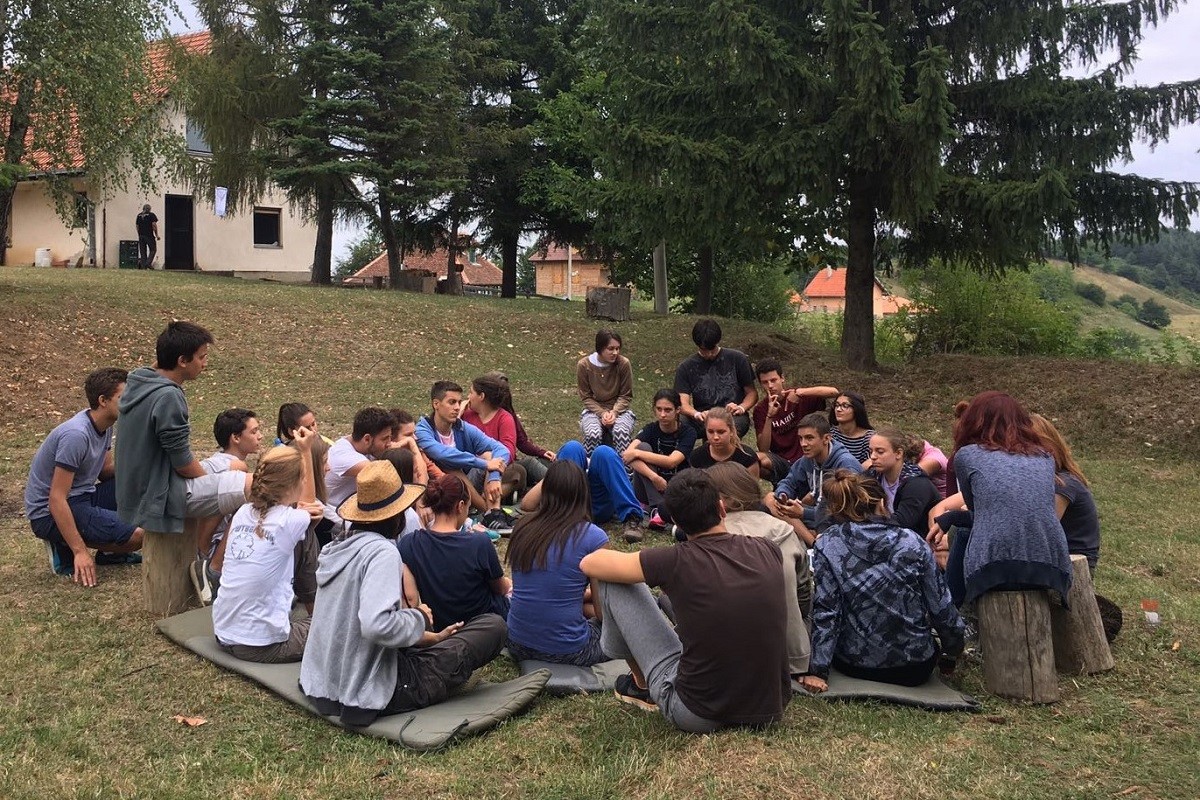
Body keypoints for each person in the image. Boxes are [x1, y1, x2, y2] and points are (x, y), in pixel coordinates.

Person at [580, 470, 791, 733]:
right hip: (768, 708)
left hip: (697, 712)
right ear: (721, 508)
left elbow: (589, 563)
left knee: (613, 579)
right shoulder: (767, 549)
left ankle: (641, 686)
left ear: (677, 522)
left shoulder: (675, 560)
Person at [300, 461, 505, 727]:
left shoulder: (338, 549)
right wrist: (418, 617)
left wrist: (428, 636)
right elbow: (376, 625)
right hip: (368, 689)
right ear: (396, 513)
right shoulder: (382, 552)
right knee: (494, 627)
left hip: (323, 683)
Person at [801, 471, 964, 692]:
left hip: (854, 664)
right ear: (880, 501)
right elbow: (941, 606)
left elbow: (827, 610)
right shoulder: (912, 542)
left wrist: (818, 670)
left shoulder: (828, 544)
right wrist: (952, 650)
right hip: (914, 667)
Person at [115, 322, 251, 570]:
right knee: (255, 486)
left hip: (140, 488)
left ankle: (202, 549)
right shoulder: (168, 397)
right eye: (201, 357)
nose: (205, 363)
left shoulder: (139, 381)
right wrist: (209, 480)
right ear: (182, 361)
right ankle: (213, 568)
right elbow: (184, 466)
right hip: (161, 495)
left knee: (234, 465)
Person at [926, 391, 1072, 607]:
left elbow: (982, 513)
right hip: (1050, 566)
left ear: (973, 420)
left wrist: (954, 519)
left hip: (992, 567)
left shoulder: (967, 455)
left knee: (964, 532)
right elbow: (997, 513)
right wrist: (953, 517)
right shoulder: (1045, 456)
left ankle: (952, 611)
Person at [25, 368, 144, 586]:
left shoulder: (104, 425)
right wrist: (80, 551)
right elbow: (56, 498)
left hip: (82, 497)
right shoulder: (76, 435)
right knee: (138, 536)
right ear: (103, 401)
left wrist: (140, 466)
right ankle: (62, 541)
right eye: (124, 397)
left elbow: (105, 471)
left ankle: (109, 554)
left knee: (140, 483)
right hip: (50, 512)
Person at [212, 435, 323, 663]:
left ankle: (312, 608)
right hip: (261, 646)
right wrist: (305, 450)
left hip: (223, 634)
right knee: (339, 623)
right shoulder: (289, 521)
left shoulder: (244, 511)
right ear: (294, 484)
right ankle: (317, 609)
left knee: (303, 536)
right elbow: (311, 503)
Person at [706, 462, 811, 677]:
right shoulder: (785, 530)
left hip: (727, 657)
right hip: (790, 655)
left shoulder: (707, 535)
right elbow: (803, 594)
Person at [505, 460, 611, 666]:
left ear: (545, 489)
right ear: (582, 492)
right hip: (566, 651)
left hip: (516, 642)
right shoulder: (593, 537)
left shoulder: (522, 526)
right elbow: (602, 614)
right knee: (620, 632)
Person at [398, 474, 512, 630]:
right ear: (460, 506)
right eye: (468, 508)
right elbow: (500, 588)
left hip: (437, 625)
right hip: (481, 626)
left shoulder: (408, 543)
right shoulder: (479, 543)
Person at [414, 380, 515, 532]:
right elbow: (441, 454)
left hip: (467, 485)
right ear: (436, 404)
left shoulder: (462, 428)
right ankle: (489, 512)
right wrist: (484, 464)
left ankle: (493, 513)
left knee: (491, 456)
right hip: (438, 488)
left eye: (459, 402)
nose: (457, 407)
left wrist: (494, 476)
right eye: (452, 402)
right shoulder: (423, 429)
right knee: (453, 468)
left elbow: (502, 449)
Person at [191, 408, 265, 604]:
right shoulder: (236, 467)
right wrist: (206, 551)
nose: (260, 436)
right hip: (214, 548)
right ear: (236, 438)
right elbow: (217, 508)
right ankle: (213, 568)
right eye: (254, 431)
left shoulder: (215, 461)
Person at [766, 412, 863, 544]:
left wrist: (804, 513)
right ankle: (812, 540)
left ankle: (813, 543)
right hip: (814, 516)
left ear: (826, 438)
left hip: (838, 522)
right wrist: (783, 495)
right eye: (800, 438)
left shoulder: (845, 464)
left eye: (809, 438)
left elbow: (845, 512)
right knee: (770, 499)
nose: (803, 444)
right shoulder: (807, 460)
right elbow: (789, 482)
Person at [523, 441, 646, 543]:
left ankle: (632, 518)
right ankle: (563, 513)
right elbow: (527, 504)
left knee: (604, 452)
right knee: (572, 447)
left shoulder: (599, 463)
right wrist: (555, 473)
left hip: (597, 504)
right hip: (571, 505)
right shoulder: (571, 459)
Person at [1030, 414, 1101, 572]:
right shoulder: (1055, 480)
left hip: (1073, 564)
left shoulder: (1063, 484)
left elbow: (1041, 529)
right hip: (1055, 558)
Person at [752, 358, 838, 483]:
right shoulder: (760, 409)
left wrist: (800, 392)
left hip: (806, 458)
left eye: (773, 380)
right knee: (754, 460)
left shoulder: (798, 397)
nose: (770, 386)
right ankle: (778, 485)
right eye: (765, 382)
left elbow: (834, 392)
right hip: (781, 461)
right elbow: (763, 448)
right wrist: (769, 417)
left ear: (782, 378)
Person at [622, 389, 697, 530]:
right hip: (649, 485)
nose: (662, 414)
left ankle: (656, 509)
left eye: (668, 410)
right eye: (659, 409)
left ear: (678, 410)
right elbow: (627, 455)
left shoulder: (688, 432)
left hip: (674, 486)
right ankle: (658, 509)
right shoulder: (650, 429)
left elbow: (672, 462)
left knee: (640, 451)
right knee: (642, 447)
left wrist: (638, 454)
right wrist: (654, 477)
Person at [674, 319, 757, 438]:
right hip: (702, 416)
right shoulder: (686, 367)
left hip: (731, 415)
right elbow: (682, 402)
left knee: (732, 427)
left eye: (712, 349)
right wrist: (696, 414)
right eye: (704, 350)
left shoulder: (738, 359)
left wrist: (741, 407)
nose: (709, 354)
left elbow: (752, 393)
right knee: (678, 422)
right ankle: (680, 454)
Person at [461, 375, 528, 503]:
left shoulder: (504, 418)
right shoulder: (466, 415)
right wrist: (459, 414)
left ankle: (484, 498)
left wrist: (492, 462)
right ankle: (482, 500)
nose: (468, 397)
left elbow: (509, 450)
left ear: (481, 396)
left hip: (495, 467)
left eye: (471, 392)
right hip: (470, 467)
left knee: (518, 471)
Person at [865, 429, 941, 537]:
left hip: (919, 542)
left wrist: (869, 518)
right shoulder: (872, 476)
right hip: (887, 537)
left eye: (880, 452)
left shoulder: (917, 483)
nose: (873, 456)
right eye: (871, 451)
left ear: (899, 453)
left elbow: (902, 523)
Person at [487, 371, 556, 487]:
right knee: (526, 466)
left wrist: (542, 452)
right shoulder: (473, 415)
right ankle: (559, 486)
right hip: (494, 464)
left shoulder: (507, 414)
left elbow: (521, 441)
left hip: (507, 462)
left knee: (549, 463)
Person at [577, 329, 636, 455]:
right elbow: (586, 397)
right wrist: (602, 413)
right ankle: (589, 466)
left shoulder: (623, 364)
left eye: (617, 348)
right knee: (593, 434)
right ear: (600, 348)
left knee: (621, 432)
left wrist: (614, 412)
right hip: (593, 410)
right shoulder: (584, 365)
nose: (615, 353)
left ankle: (626, 470)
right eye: (611, 349)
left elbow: (626, 395)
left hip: (620, 410)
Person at [324, 407, 395, 510]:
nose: (389, 444)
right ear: (367, 439)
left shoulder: (359, 443)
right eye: (385, 439)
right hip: (335, 516)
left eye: (390, 437)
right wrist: (413, 449)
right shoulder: (345, 457)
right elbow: (386, 476)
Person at [688, 408, 760, 477]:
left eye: (721, 432)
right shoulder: (697, 457)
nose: (716, 437)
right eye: (710, 432)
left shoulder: (747, 457)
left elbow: (752, 488)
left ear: (731, 431)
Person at [829, 391, 874, 468]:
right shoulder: (830, 434)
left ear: (857, 409)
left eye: (845, 405)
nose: (838, 409)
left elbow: (873, 462)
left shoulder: (869, 438)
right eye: (836, 405)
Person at [135, 203, 158, 269]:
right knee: (153, 249)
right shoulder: (151, 215)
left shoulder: (139, 215)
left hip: (141, 235)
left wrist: (139, 234)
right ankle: (148, 263)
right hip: (149, 235)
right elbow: (154, 225)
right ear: (149, 209)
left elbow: (137, 226)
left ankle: (143, 266)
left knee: (143, 251)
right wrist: (156, 235)